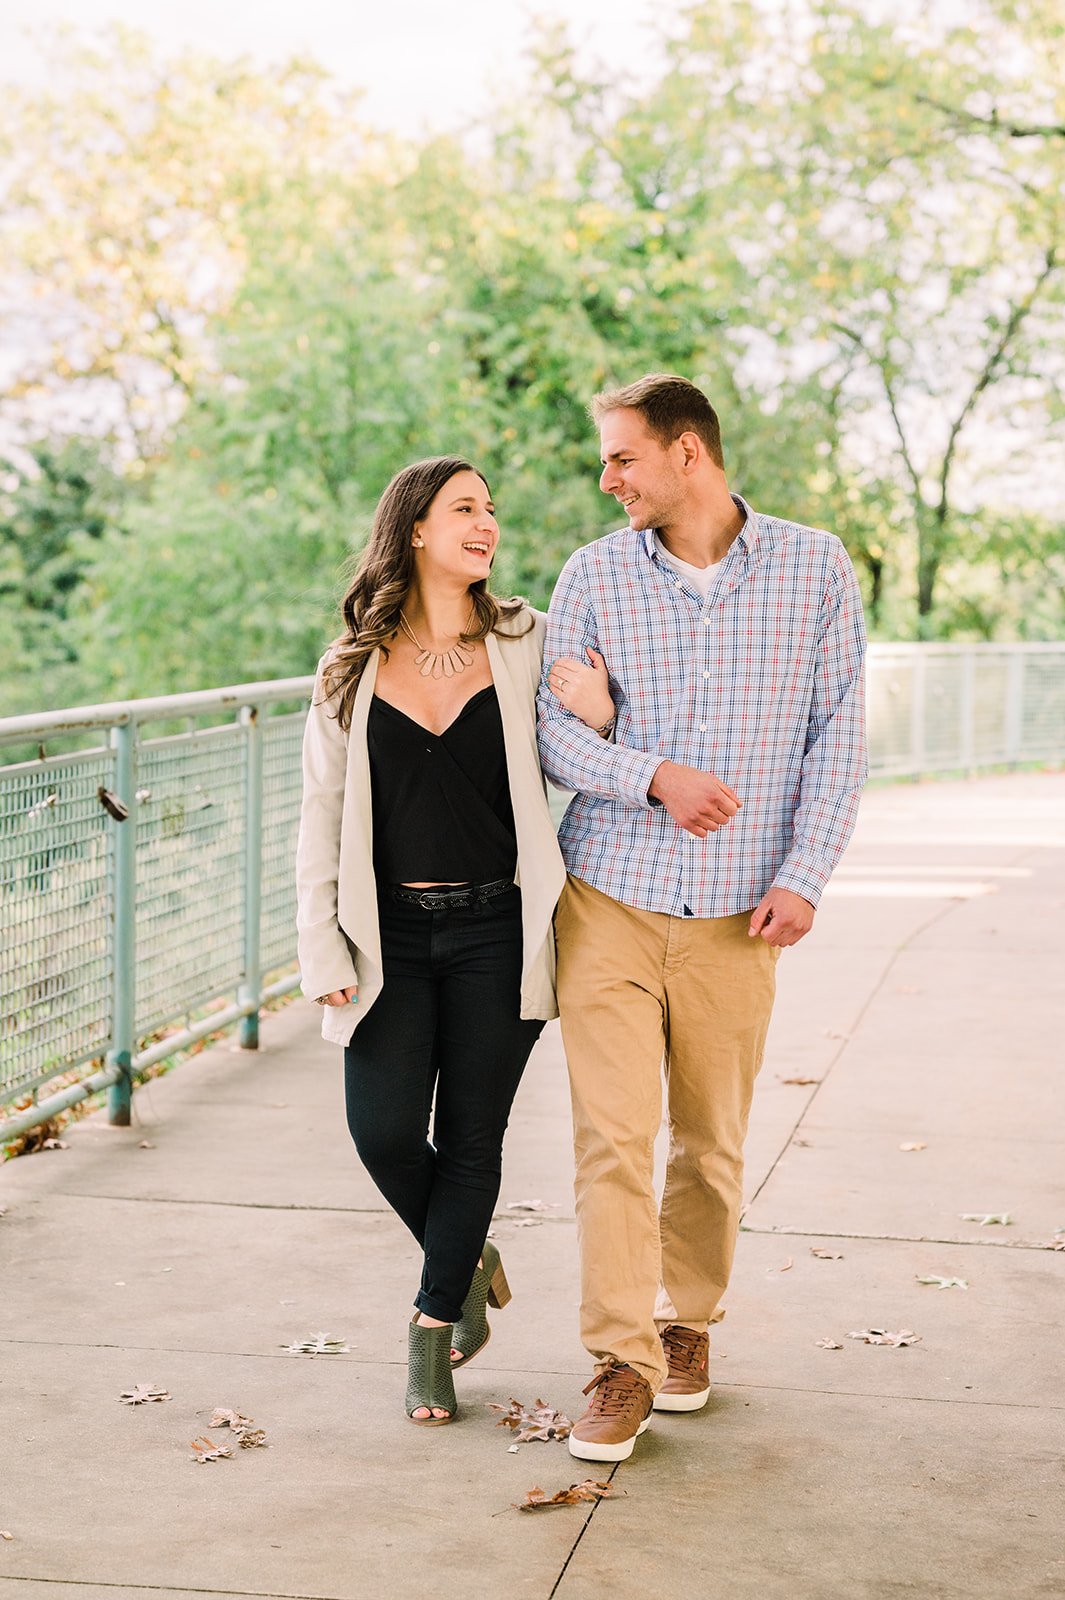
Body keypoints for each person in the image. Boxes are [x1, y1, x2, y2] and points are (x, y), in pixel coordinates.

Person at [537, 374, 868, 1463]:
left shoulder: (816, 567)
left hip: (740, 915)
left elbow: (837, 735)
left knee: (713, 1147)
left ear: (689, 454)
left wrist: (806, 873)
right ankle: (620, 1361)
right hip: (611, 901)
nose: (608, 478)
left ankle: (686, 1328)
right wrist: (651, 775)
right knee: (613, 1141)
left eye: (623, 457)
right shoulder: (590, 576)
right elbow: (553, 735)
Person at [295, 455, 615, 1426]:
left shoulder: (528, 639)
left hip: (497, 930)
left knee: (472, 1139)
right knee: (383, 1130)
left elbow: (599, 728)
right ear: (417, 530)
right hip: (384, 935)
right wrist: (323, 951)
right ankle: (467, 1254)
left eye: (491, 510)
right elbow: (320, 814)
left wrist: (600, 715)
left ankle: (434, 1329)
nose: (487, 523)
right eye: (464, 509)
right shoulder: (351, 662)